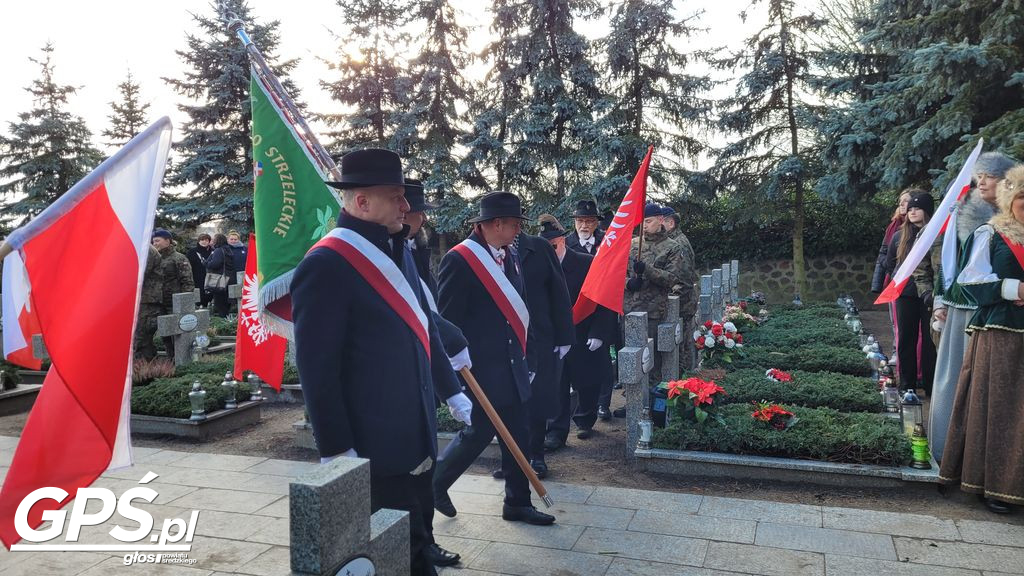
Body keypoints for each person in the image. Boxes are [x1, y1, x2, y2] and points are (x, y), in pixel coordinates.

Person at [291, 148, 471, 575]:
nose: (406, 206)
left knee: (418, 538)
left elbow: (423, 327)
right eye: (396, 196)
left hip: (416, 433)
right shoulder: (327, 263)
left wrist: (450, 391)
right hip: (375, 446)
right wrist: (337, 448)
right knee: (395, 555)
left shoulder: (397, 249)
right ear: (362, 201)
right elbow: (317, 368)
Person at [432, 191, 556, 526]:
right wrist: (456, 375)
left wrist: (528, 359)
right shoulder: (460, 260)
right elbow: (447, 320)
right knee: (478, 431)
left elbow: (521, 311)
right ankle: (436, 483)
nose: (519, 230)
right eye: (515, 224)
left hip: (512, 365)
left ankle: (517, 503)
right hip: (478, 368)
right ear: (496, 224)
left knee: (518, 433)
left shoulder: (509, 254)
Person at [939, 164, 1024, 514]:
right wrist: (1013, 288)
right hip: (1002, 335)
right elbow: (969, 282)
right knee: (1002, 410)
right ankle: (995, 485)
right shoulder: (992, 233)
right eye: (1023, 197)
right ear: (1010, 199)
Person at [923, 152, 1015, 463]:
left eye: (991, 176)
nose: (983, 182)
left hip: (1002, 314)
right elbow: (949, 261)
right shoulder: (965, 211)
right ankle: (947, 452)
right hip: (963, 307)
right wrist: (940, 299)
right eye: (981, 176)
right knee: (954, 379)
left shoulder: (1013, 219)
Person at [402, 178, 469, 569]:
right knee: (407, 473)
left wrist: (450, 387)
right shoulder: (391, 251)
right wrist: (453, 338)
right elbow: (420, 313)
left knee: (424, 463)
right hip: (402, 376)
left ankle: (424, 540)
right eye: (416, 211)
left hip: (426, 368)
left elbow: (426, 312)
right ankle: (416, 545)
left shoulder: (412, 246)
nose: (422, 219)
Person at [541, 215, 617, 449]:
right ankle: (556, 432)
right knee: (557, 383)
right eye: (545, 247)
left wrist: (599, 332)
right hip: (554, 335)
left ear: (562, 241)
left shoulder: (586, 263)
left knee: (587, 382)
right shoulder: (539, 265)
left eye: (553, 247)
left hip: (583, 332)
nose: (549, 252)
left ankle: (585, 418)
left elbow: (603, 299)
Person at [513, 222, 574, 477]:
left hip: (539, 336)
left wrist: (564, 335)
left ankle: (536, 455)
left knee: (537, 398)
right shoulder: (484, 252)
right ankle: (513, 458)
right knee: (510, 400)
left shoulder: (538, 247)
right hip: (505, 338)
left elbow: (559, 291)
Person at [624, 203, 686, 380]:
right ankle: (631, 392)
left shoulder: (672, 247)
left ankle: (652, 390)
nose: (644, 226)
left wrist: (647, 270)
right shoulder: (632, 244)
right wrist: (629, 283)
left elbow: (673, 278)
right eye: (642, 222)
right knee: (631, 357)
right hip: (630, 308)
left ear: (660, 220)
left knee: (650, 358)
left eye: (649, 221)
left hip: (653, 310)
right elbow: (616, 274)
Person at [884, 191, 937, 394]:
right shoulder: (899, 236)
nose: (912, 212)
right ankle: (907, 385)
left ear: (928, 211)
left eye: (918, 208)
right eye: (910, 209)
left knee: (929, 340)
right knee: (906, 338)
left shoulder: (936, 235)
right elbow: (890, 263)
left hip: (929, 294)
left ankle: (931, 385)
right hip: (905, 294)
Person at [659, 205, 699, 369]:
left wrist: (670, 300)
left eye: (661, 222)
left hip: (682, 303)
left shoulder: (677, 244)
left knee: (682, 345)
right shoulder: (675, 241)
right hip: (682, 302)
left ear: (671, 223)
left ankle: (686, 377)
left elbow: (683, 278)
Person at [874, 191, 912, 360]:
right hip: (894, 279)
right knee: (895, 319)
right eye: (900, 201)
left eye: (906, 201)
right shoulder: (893, 227)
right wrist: (891, 268)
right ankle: (896, 351)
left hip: (912, 281)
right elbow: (883, 253)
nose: (902, 204)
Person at [151, 229, 194, 360]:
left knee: (178, 333)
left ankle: (181, 359)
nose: (155, 244)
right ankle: (171, 359)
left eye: (157, 241)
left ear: (167, 241)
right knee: (165, 333)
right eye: (153, 241)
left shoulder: (178, 258)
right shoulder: (154, 259)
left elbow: (187, 281)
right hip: (159, 302)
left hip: (175, 304)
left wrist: (184, 303)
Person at [134, 245, 164, 360]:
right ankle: (147, 365)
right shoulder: (141, 247)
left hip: (148, 301)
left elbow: (140, 272)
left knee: (142, 336)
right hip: (143, 299)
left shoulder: (147, 250)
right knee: (142, 337)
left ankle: (145, 365)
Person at [204, 234, 236, 317]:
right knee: (226, 302)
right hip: (228, 278)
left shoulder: (218, 250)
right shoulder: (228, 249)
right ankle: (227, 319)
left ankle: (223, 319)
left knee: (220, 303)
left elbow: (216, 264)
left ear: (217, 240)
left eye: (214, 239)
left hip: (219, 280)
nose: (212, 241)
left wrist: (206, 263)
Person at [186, 233, 213, 308]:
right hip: (197, 277)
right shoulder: (192, 252)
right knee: (200, 296)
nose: (204, 242)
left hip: (211, 277)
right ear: (198, 241)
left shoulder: (213, 251)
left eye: (206, 240)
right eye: (202, 240)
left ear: (209, 241)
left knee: (210, 295)